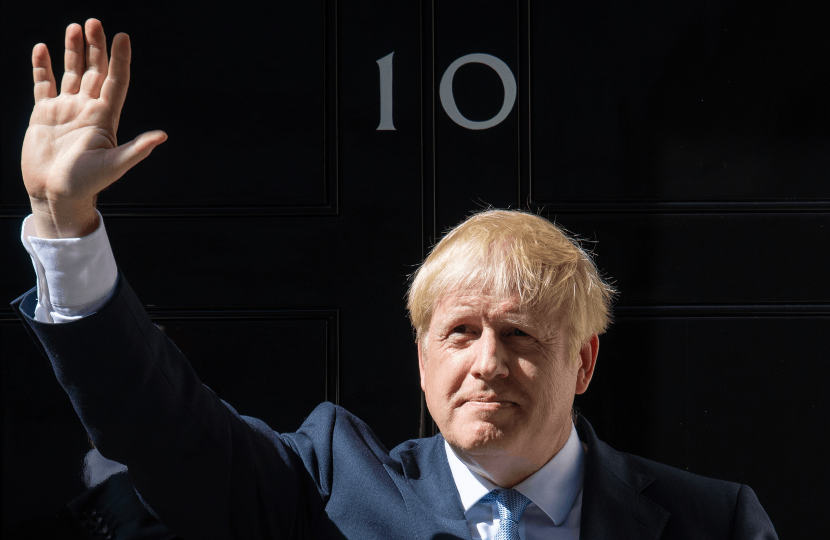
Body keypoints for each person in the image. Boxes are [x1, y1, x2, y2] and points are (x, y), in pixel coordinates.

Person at [12, 18, 778, 539]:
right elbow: (159, 428)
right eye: (460, 333)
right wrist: (66, 221)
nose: (487, 362)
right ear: (422, 358)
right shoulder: (325, 485)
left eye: (519, 334)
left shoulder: (714, 520)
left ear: (582, 361)